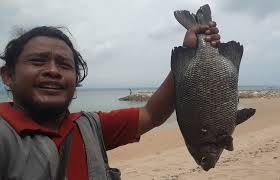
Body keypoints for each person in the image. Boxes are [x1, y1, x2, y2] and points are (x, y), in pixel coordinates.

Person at [0, 21, 254, 180]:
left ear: (75, 80)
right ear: (8, 76)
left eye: (64, 65)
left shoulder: (90, 126)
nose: (53, 71)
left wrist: (190, 54)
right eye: (38, 61)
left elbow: (152, 115)